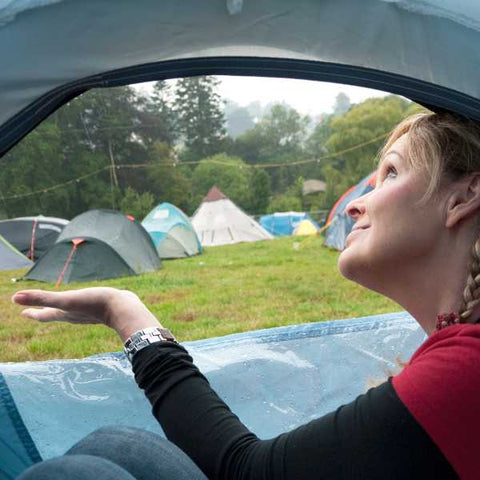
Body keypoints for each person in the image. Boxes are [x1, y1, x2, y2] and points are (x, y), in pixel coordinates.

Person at [12, 111, 480, 479]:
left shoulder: (467, 370)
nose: (357, 202)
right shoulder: (458, 354)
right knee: (116, 446)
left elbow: (248, 470)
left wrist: (127, 315)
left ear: (463, 197)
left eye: (391, 174)